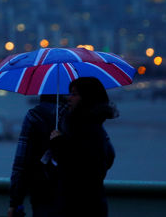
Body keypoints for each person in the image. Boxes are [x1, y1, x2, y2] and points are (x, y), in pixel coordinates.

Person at [48, 77, 118, 217]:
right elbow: (109, 158)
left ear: (87, 98)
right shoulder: (96, 127)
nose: (69, 98)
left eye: (74, 94)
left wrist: (57, 142)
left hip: (78, 206)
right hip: (93, 204)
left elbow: (77, 168)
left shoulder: (84, 129)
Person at [8, 94, 66, 217]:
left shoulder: (34, 116)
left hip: (42, 190)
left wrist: (15, 201)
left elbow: (21, 161)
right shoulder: (78, 116)